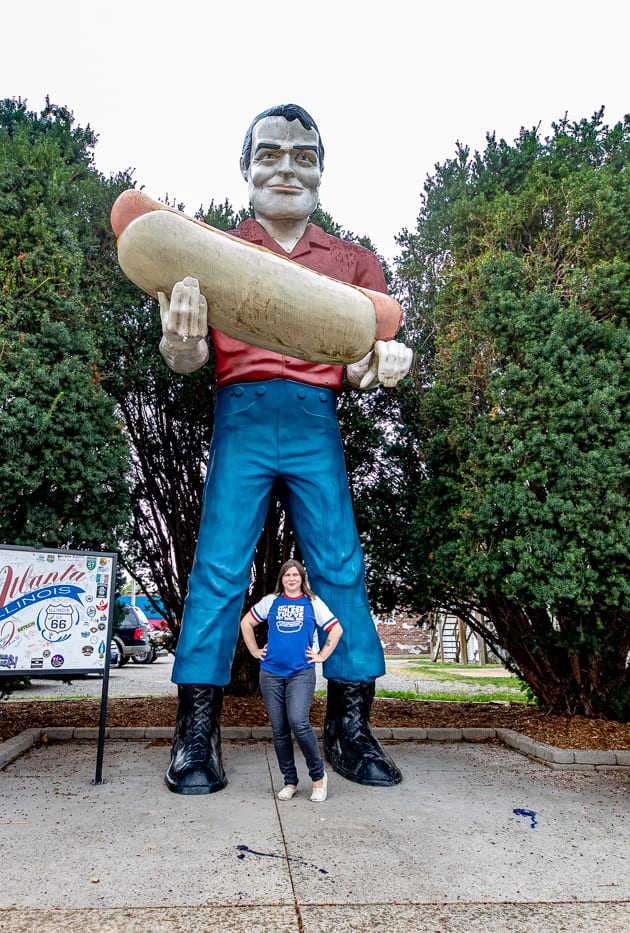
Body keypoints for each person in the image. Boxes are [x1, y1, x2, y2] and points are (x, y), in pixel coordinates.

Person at [159, 103, 413, 795]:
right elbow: (185, 357)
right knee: (218, 566)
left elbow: (363, 360)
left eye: (303, 156)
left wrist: (379, 364)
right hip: (241, 411)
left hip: (312, 418)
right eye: (269, 153)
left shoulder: (355, 262)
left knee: (338, 563)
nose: (286, 168)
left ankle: (351, 724)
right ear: (245, 169)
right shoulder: (211, 249)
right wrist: (180, 337)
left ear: (322, 173)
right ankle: (195, 728)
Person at [241, 559, 339, 803]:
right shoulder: (271, 601)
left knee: (299, 722)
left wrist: (321, 655)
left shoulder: (313, 603)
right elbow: (246, 623)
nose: (292, 579)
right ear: (282, 579)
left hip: (300, 673)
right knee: (279, 730)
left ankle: (318, 778)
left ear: (302, 578)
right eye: (287, 575)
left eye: (296, 575)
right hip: (271, 673)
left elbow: (336, 629)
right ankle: (290, 781)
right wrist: (254, 651)